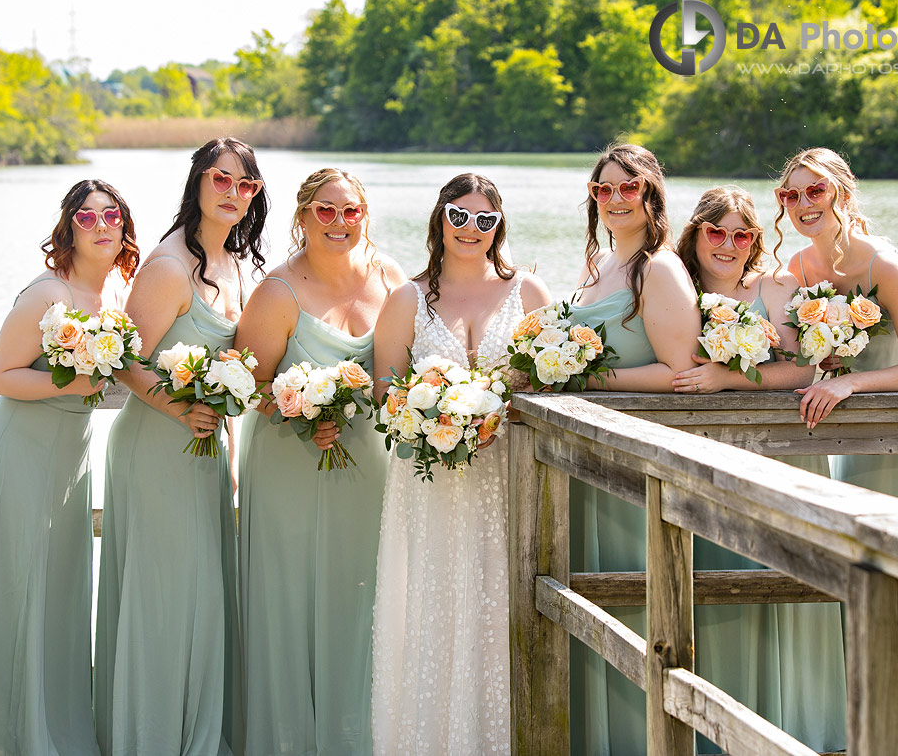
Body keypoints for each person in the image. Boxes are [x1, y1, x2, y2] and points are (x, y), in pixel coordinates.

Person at [0, 179, 139, 755]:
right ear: (68, 227)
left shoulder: (115, 294)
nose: (101, 225)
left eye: (111, 215)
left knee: (57, 594)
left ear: (124, 226)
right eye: (86, 217)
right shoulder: (47, 293)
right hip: (17, 453)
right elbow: (0, 376)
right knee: (11, 589)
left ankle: (49, 727)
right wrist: (74, 378)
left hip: (68, 462)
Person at [774, 146, 898, 748]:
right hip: (849, 450)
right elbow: (807, 355)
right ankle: (870, 728)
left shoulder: (882, 263)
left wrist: (849, 380)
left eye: (815, 192)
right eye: (790, 195)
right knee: (860, 583)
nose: (803, 204)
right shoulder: (800, 270)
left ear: (842, 195)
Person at [94, 137, 267, 755]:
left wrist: (225, 430)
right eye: (222, 179)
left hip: (205, 451)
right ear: (197, 182)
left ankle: (197, 729)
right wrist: (181, 407)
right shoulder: (168, 268)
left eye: (246, 185)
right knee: (165, 595)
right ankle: (153, 736)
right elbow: (124, 363)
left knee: (202, 592)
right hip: (156, 447)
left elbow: (238, 372)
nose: (233, 194)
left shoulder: (236, 267)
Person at [370, 173, 552, 754]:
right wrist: (426, 417)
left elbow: (552, 380)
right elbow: (383, 389)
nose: (470, 229)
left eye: (485, 220)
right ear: (439, 218)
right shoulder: (409, 299)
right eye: (459, 215)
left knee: (503, 604)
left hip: (507, 477)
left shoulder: (529, 294)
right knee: (433, 609)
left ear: (499, 227)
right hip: (430, 482)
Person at [234, 168, 406, 754]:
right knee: (291, 595)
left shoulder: (391, 281)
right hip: (288, 459)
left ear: (365, 215)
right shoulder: (277, 292)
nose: (338, 223)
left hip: (369, 464)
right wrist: (296, 407)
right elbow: (244, 383)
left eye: (350, 211)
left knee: (362, 594)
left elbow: (404, 373)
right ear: (302, 217)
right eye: (325, 212)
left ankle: (356, 734)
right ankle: (288, 738)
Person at [670, 186, 847, 753]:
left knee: (785, 580)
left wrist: (728, 377)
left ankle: (795, 724)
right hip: (701, 457)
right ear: (695, 233)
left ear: (756, 240)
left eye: (741, 233)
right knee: (710, 587)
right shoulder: (674, 290)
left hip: (779, 453)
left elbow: (799, 370)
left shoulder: (775, 286)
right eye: (715, 231)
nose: (728, 244)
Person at [568, 143, 701, 754]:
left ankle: (635, 740)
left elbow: (677, 371)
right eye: (603, 189)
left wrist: (583, 379)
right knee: (587, 598)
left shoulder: (659, 268)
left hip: (634, 463)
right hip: (584, 458)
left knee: (633, 602)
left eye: (629, 188)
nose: (615, 199)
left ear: (651, 195)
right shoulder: (596, 269)